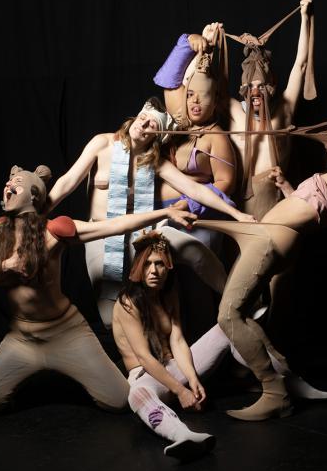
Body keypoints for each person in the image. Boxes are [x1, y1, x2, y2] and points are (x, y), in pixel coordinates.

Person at [0, 164, 197, 415]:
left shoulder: (54, 231)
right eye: (8, 184)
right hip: (23, 338)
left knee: (118, 399)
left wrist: (164, 212)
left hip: (66, 332)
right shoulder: (1, 229)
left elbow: (116, 226)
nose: (8, 186)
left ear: (34, 195)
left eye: (17, 183)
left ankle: (113, 365)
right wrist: (7, 264)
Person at [197, 114, 327, 421]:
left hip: (269, 241)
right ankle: (289, 379)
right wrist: (285, 186)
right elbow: (303, 207)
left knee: (228, 315)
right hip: (265, 235)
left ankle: (275, 393)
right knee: (241, 314)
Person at [113, 231, 327, 458]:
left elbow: (178, 340)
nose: (154, 271)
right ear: (138, 266)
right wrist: (180, 391)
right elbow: (144, 357)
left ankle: (290, 382)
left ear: (168, 266)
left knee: (230, 325)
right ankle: (182, 436)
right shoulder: (128, 303)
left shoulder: (168, 293)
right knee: (137, 395)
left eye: (159, 264)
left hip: (176, 366)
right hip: (148, 376)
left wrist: (192, 380)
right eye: (148, 264)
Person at [45, 97, 254, 330]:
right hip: (101, 235)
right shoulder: (103, 143)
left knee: (195, 249)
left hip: (141, 233)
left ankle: (239, 301)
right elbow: (69, 181)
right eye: (142, 119)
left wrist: (237, 214)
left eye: (151, 126)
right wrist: (43, 210)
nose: (142, 125)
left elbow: (195, 189)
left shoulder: (156, 162)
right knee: (109, 319)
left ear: (158, 137)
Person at [227, 0, 315, 220]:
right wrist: (207, 41)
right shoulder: (234, 111)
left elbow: (301, 65)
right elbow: (206, 87)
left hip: (276, 205)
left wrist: (305, 17)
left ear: (272, 85)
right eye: (251, 86)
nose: (256, 91)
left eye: (261, 85)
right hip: (239, 208)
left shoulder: (283, 112)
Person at [153, 27, 237, 252]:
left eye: (204, 95)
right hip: (159, 213)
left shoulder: (216, 136)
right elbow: (168, 80)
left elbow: (226, 182)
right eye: (190, 95)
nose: (195, 102)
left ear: (216, 100)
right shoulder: (180, 122)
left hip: (195, 217)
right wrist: (188, 41)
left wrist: (191, 203)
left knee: (195, 283)